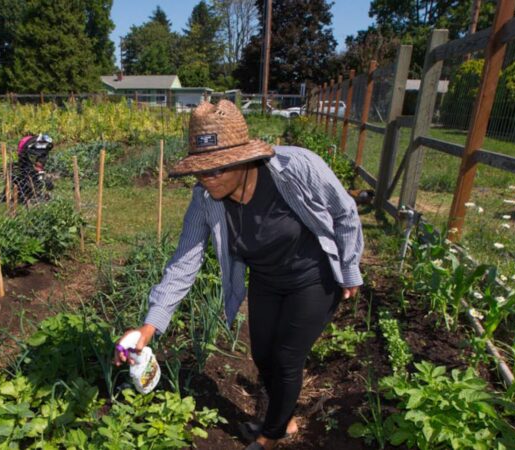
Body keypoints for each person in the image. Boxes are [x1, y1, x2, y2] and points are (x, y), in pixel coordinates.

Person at [114, 100, 363, 450]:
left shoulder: (296, 167)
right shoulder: (206, 199)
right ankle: (285, 417)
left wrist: (350, 269)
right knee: (262, 355)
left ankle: (271, 435)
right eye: (201, 171)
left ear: (244, 159)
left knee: (287, 357)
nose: (207, 179)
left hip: (314, 276)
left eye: (216, 169)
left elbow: (345, 211)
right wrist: (149, 327)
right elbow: (184, 262)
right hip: (266, 279)